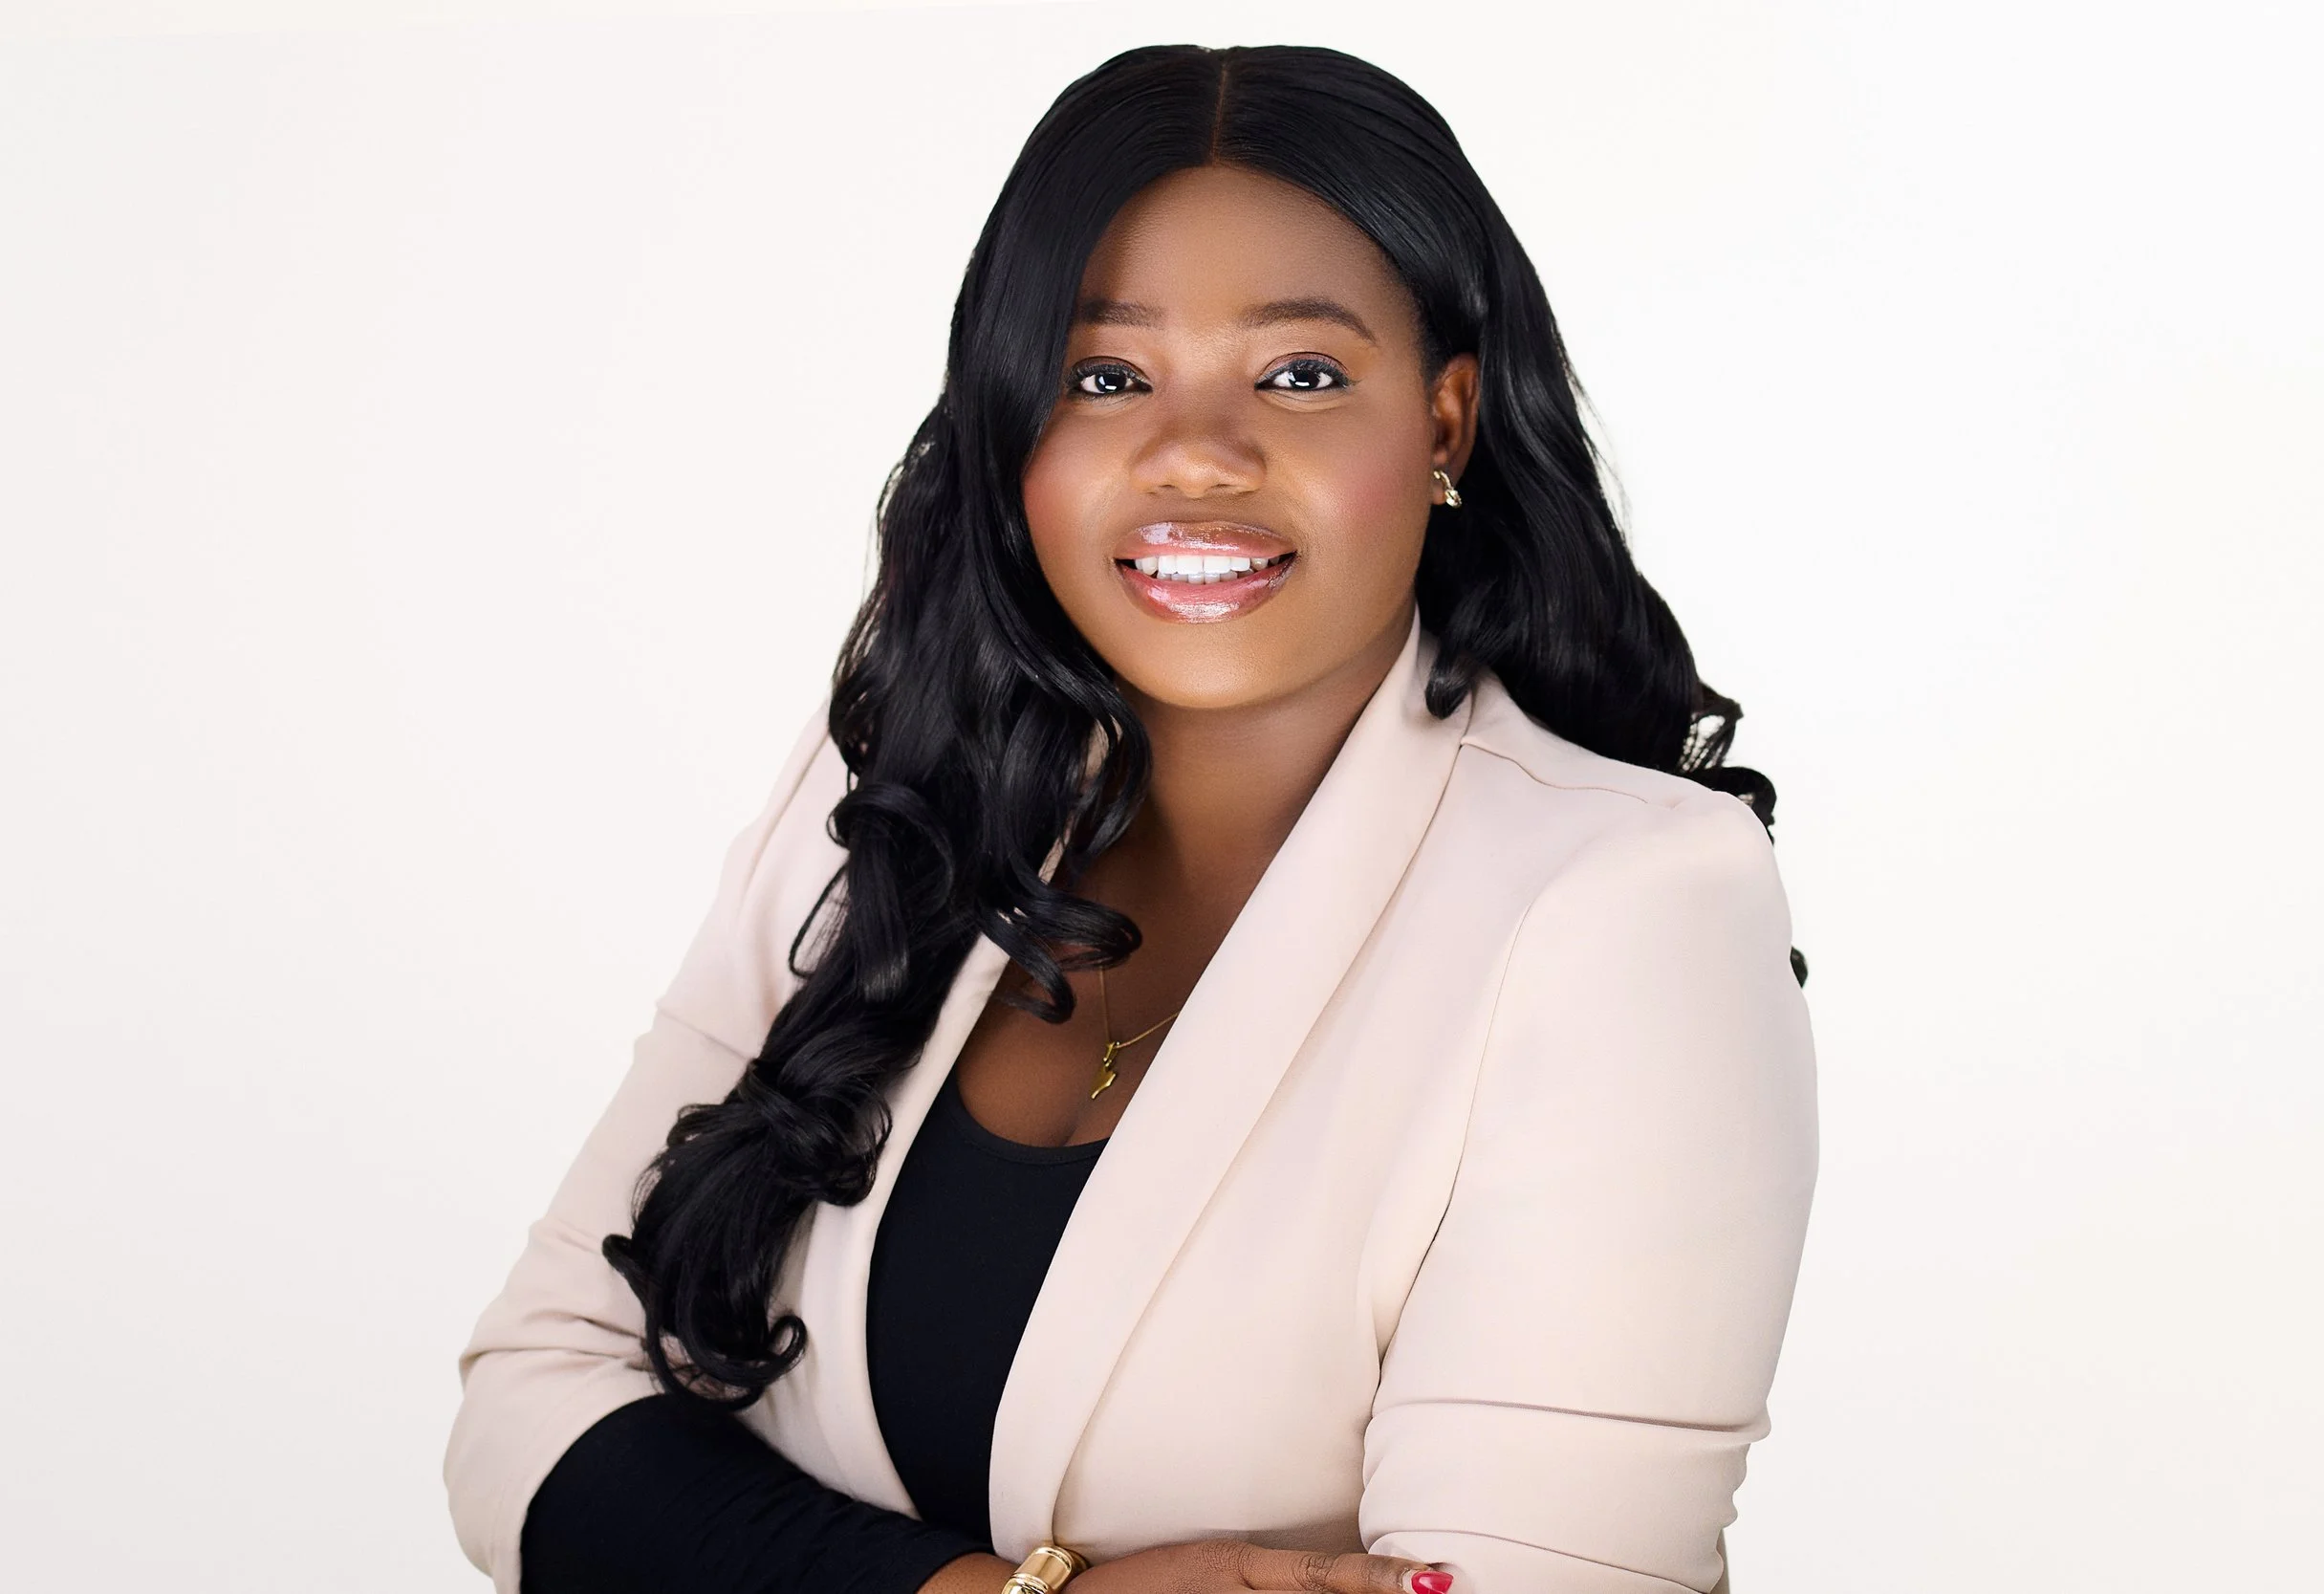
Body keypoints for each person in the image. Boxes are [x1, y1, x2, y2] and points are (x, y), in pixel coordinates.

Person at [444, 41, 1817, 1594]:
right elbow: (530, 1406)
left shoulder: (1628, 909)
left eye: (1301, 374)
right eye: (1105, 377)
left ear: (1445, 421)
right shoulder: (891, 792)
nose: (1196, 455)